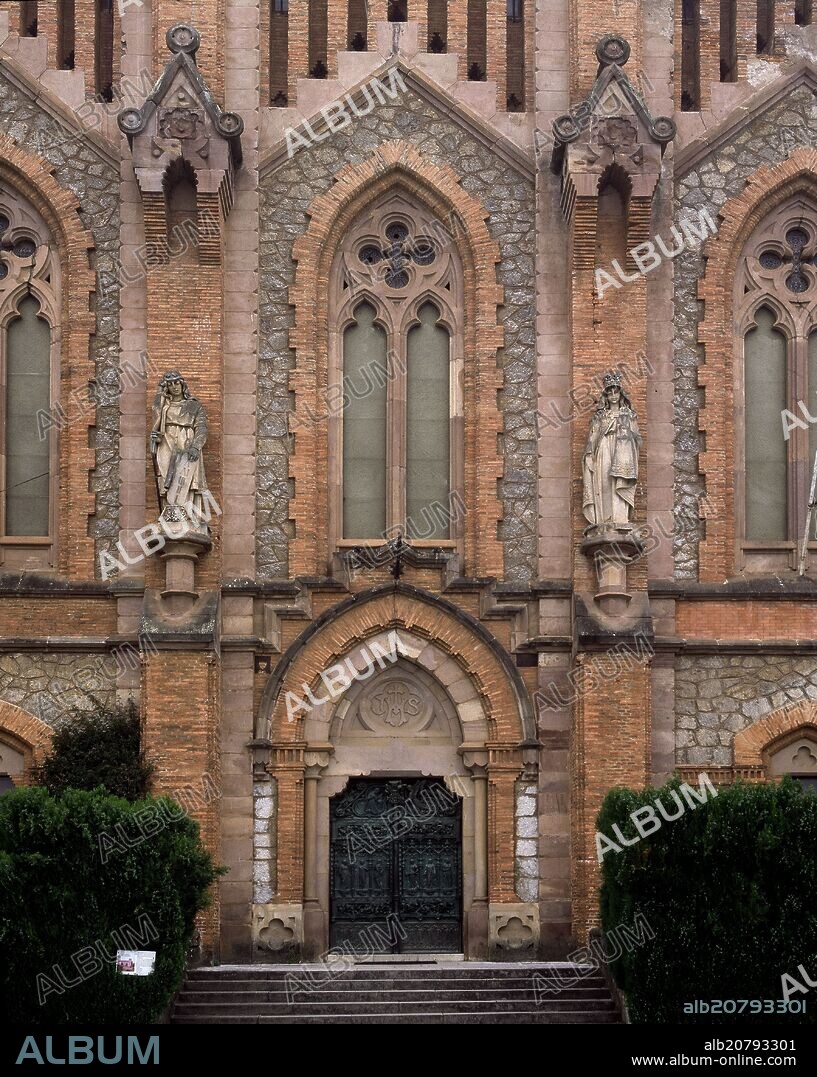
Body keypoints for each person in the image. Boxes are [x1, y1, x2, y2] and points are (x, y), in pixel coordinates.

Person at [150, 371, 210, 535]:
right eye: (170, 384)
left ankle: (188, 515)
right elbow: (155, 419)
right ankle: (169, 512)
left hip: (186, 442)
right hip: (166, 443)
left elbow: (202, 428)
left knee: (186, 479)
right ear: (166, 387)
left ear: (182, 384)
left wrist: (196, 446)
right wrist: (159, 393)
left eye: (176, 383)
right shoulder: (164, 406)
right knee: (166, 477)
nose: (174, 387)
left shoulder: (193, 405)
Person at [582, 372, 641, 531]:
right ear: (606, 396)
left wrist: (624, 432)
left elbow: (636, 439)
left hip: (622, 453)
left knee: (618, 480)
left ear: (621, 394)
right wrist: (589, 456)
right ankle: (604, 519)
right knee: (604, 482)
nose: (613, 396)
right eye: (610, 392)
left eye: (616, 392)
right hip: (603, 450)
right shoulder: (600, 416)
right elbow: (592, 439)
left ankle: (620, 517)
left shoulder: (628, 414)